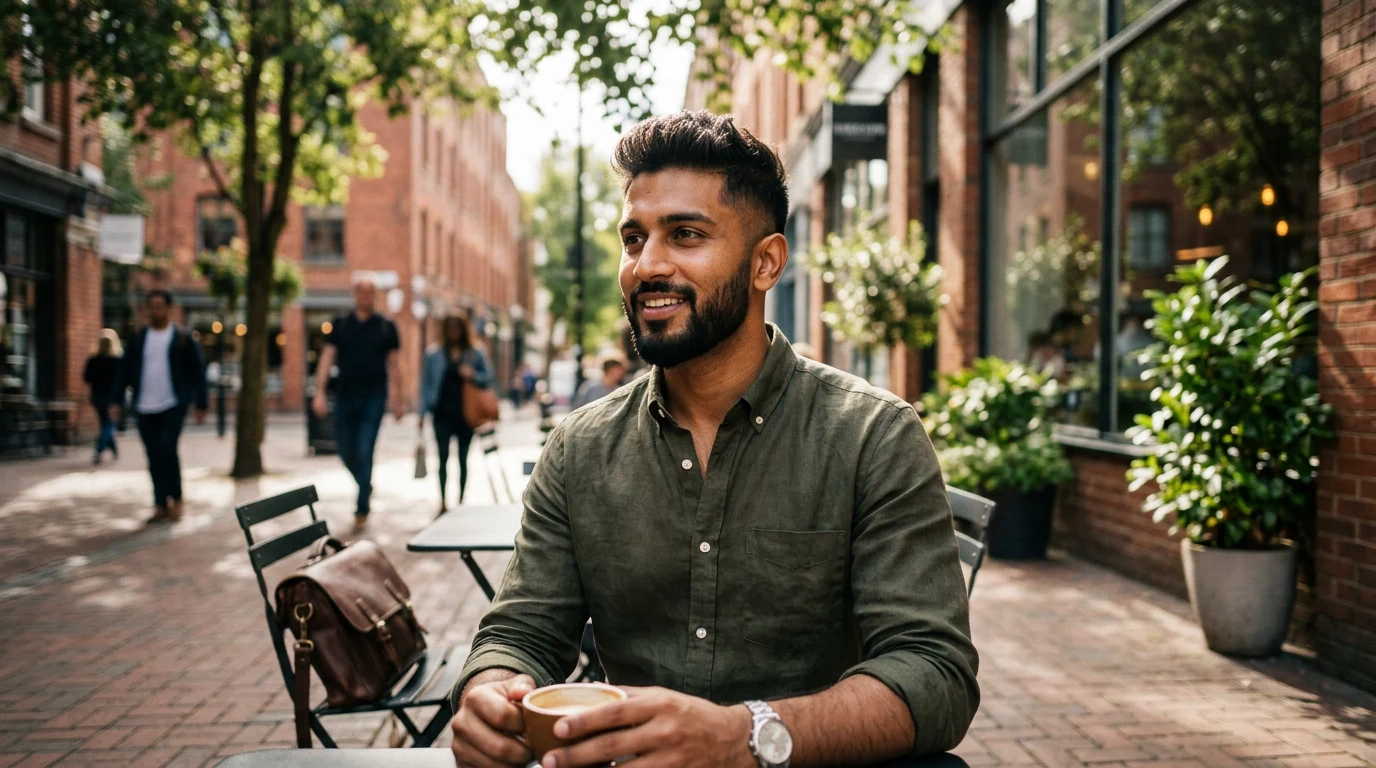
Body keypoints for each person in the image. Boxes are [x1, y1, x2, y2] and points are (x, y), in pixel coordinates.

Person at [448, 111, 978, 768]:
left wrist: (748, 736)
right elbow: (521, 631)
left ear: (766, 263)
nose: (647, 265)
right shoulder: (579, 448)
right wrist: (491, 691)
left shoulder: (872, 435)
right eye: (634, 238)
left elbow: (935, 674)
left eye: (686, 235)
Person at [311, 275, 404, 529]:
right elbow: (327, 358)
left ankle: (362, 503)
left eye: (370, 292)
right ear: (354, 294)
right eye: (361, 292)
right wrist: (319, 392)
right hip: (344, 396)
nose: (366, 297)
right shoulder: (341, 324)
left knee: (364, 447)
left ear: (375, 295)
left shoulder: (386, 326)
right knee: (343, 448)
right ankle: (366, 484)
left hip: (374, 397)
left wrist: (398, 399)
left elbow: (395, 366)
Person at [110, 291, 208, 523]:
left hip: (172, 404)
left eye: (159, 306)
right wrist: (115, 400)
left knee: (167, 449)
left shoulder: (182, 337)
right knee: (153, 455)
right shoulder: (139, 337)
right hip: (144, 406)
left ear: (169, 308)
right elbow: (123, 371)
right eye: (151, 307)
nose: (155, 311)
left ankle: (176, 498)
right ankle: (160, 503)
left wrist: (200, 403)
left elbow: (198, 372)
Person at [420, 314, 492, 512]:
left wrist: (473, 375)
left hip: (466, 414)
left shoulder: (475, 353)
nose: (453, 332)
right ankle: (443, 500)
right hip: (441, 413)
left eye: (457, 328)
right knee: (442, 458)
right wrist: (422, 412)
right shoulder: (434, 354)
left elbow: (488, 378)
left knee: (463, 458)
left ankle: (460, 501)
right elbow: (426, 385)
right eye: (450, 328)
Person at [84, 329, 122, 465]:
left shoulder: (93, 360)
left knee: (105, 423)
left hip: (97, 396)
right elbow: (121, 380)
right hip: (110, 397)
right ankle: (99, 450)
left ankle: (114, 449)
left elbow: (86, 378)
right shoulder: (116, 360)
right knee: (109, 424)